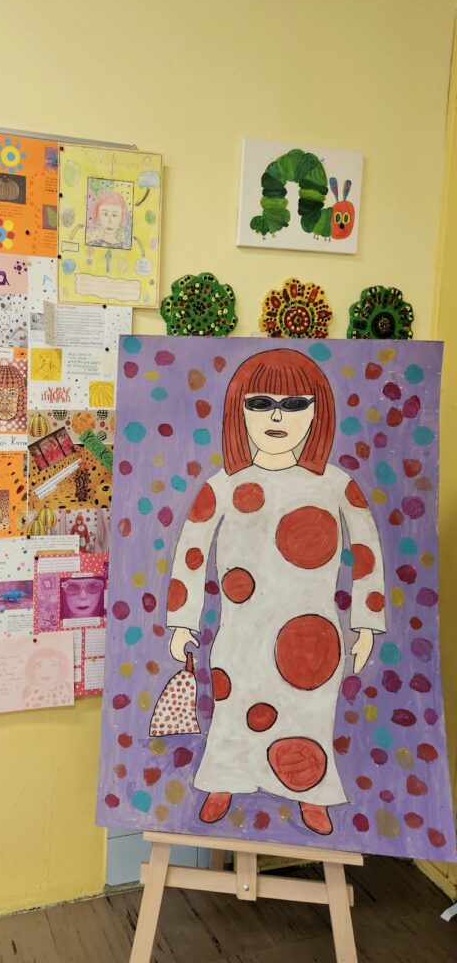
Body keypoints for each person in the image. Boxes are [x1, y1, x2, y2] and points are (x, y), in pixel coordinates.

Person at [163, 348, 385, 836]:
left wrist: (367, 624)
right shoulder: (224, 486)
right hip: (241, 633)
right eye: (261, 403)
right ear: (239, 410)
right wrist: (182, 621)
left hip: (313, 639)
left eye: (295, 404)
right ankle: (223, 780)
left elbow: (367, 553)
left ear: (317, 411)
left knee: (309, 716)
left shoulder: (336, 485)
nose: (277, 416)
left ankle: (311, 791)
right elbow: (192, 553)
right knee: (233, 711)